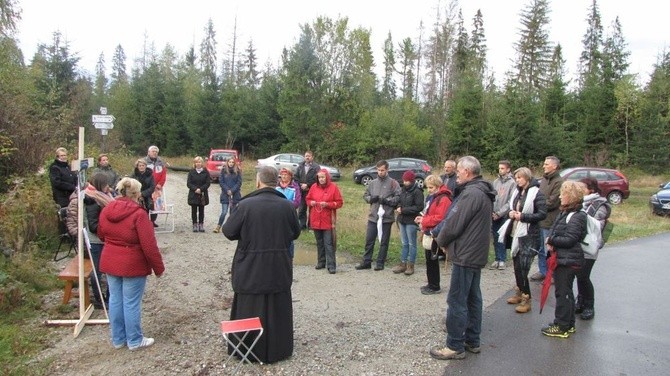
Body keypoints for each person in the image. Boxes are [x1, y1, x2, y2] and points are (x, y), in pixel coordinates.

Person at [222, 166, 301, 363]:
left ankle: (247, 348)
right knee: (277, 307)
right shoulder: (287, 206)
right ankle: (278, 349)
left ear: (258, 181)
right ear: (276, 182)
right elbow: (295, 232)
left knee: (250, 305)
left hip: (251, 266)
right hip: (278, 265)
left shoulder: (246, 205)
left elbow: (229, 231)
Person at [430, 156, 495, 360]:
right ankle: (472, 340)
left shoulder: (471, 194)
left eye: (458, 170)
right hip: (475, 253)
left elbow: (453, 223)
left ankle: (455, 345)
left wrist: (438, 239)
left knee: (457, 299)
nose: (456, 173)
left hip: (466, 254)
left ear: (467, 172)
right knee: (473, 297)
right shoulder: (481, 191)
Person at [98, 177, 165, 350]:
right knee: (131, 302)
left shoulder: (107, 210)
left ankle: (118, 338)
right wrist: (159, 268)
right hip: (132, 263)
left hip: (111, 259)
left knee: (115, 300)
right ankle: (134, 339)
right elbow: (149, 246)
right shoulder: (139, 214)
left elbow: (101, 233)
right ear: (136, 194)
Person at [497, 167, 547, 313]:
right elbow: (513, 208)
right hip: (515, 231)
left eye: (520, 178)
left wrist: (523, 216)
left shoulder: (536, 193)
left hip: (529, 234)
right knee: (516, 265)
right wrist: (512, 213)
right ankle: (519, 291)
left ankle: (527, 298)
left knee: (524, 266)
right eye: (516, 177)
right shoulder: (518, 192)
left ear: (527, 178)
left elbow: (542, 214)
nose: (517, 180)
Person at [542, 180, 587, 338]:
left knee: (563, 293)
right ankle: (568, 323)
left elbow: (570, 239)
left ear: (571, 196)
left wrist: (552, 241)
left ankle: (562, 326)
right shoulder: (565, 213)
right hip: (562, 258)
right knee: (565, 292)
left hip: (568, 260)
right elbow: (555, 231)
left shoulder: (578, 216)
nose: (560, 197)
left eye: (563, 193)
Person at [355, 160, 401, 271]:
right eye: (379, 170)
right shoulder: (373, 182)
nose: (380, 172)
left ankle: (380, 262)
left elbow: (398, 197)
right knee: (369, 240)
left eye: (383, 170)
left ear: (387, 170)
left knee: (384, 241)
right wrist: (371, 199)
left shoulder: (393, 183)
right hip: (373, 216)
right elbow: (366, 195)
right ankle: (367, 261)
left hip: (386, 217)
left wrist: (387, 201)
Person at [576, 177, 611, 320]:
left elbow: (594, 223)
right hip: (578, 244)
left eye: (582, 187)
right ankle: (581, 301)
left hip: (590, 244)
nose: (579, 190)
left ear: (591, 189)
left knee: (584, 276)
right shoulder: (581, 202)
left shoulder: (600, 204)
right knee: (579, 275)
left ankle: (589, 306)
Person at [414, 174, 451, 294]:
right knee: (429, 260)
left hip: (436, 232)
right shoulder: (434, 197)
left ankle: (435, 286)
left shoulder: (443, 199)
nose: (429, 190)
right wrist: (422, 219)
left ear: (438, 186)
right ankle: (431, 283)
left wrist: (424, 220)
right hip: (429, 230)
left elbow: (440, 218)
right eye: (428, 187)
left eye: (431, 187)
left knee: (433, 259)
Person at [83, 172, 115, 309]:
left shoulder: (104, 197)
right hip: (97, 241)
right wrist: (109, 228)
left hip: (105, 239)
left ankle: (109, 296)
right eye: (106, 184)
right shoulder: (92, 200)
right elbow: (93, 226)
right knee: (97, 271)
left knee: (109, 270)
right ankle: (99, 299)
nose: (108, 187)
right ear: (99, 185)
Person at [532, 156, 564, 282]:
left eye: (546, 164)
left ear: (554, 166)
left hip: (550, 220)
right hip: (540, 220)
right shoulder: (544, 180)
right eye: (544, 164)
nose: (543, 166)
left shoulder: (559, 182)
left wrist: (537, 204)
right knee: (540, 248)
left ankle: (552, 274)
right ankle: (543, 271)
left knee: (549, 249)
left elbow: (552, 202)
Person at [306, 168, 343, 274]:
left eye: (323, 177)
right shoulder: (313, 187)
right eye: (319, 177)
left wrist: (328, 204)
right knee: (319, 242)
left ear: (327, 177)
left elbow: (339, 203)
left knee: (328, 243)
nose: (321, 179)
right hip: (315, 219)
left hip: (328, 220)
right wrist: (311, 202)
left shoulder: (333, 187)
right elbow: (307, 199)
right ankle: (321, 262)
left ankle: (331, 265)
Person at [391, 170, 424, 276]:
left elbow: (419, 207)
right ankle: (403, 263)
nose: (405, 183)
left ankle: (411, 264)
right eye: (404, 181)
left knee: (411, 244)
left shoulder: (418, 192)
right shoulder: (402, 190)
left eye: (407, 181)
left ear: (412, 181)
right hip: (402, 220)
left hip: (412, 220)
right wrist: (398, 206)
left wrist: (404, 210)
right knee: (404, 243)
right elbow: (399, 201)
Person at [490, 160, 516, 270]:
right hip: (494, 213)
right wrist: (492, 211)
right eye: (499, 168)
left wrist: (500, 213)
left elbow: (511, 201)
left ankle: (502, 259)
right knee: (495, 236)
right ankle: (497, 258)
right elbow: (492, 197)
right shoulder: (496, 182)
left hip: (504, 214)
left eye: (502, 168)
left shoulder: (512, 183)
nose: (500, 170)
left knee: (502, 237)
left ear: (508, 169)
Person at [276, 168, 301, 259]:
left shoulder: (295, 187)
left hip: (289, 215)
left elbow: (297, 202)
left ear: (290, 176)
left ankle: (289, 256)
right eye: (282, 175)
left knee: (289, 235)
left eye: (286, 175)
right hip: (277, 215)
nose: (284, 176)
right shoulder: (276, 186)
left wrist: (286, 206)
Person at [213, 158, 242, 233]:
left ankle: (231, 228)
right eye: (230, 162)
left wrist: (232, 190)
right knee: (224, 212)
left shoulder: (238, 171)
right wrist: (227, 190)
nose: (231, 163)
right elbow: (221, 182)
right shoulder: (223, 171)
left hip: (235, 195)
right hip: (225, 194)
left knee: (232, 213)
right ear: (227, 162)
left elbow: (239, 183)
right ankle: (218, 226)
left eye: (233, 162)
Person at [294, 151, 320, 230]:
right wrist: (300, 185)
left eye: (309, 156)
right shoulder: (300, 166)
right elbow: (295, 177)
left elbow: (317, 179)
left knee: (312, 209)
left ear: (312, 157)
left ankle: (311, 226)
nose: (307, 157)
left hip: (312, 191)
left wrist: (308, 185)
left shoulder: (316, 167)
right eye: (306, 156)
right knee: (301, 209)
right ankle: (302, 226)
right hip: (301, 191)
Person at [186, 156, 211, 233]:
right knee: (194, 210)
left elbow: (208, 183)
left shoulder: (206, 172)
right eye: (197, 162)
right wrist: (195, 189)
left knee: (201, 210)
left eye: (199, 162)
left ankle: (201, 224)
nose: (198, 163)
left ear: (202, 163)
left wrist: (201, 189)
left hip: (202, 194)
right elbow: (189, 183)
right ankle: (194, 224)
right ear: (195, 163)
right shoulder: (191, 172)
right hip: (193, 194)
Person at [145, 145, 167, 225]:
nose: (155, 153)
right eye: (153, 151)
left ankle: (153, 221)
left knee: (156, 204)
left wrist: (160, 184)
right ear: (148, 152)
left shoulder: (161, 162)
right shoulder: (144, 162)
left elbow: (163, 175)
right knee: (147, 203)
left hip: (157, 188)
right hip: (147, 187)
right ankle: (146, 220)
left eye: (156, 152)